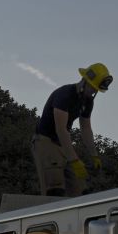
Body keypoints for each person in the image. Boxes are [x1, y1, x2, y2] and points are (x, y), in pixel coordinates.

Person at [32, 62, 113, 197]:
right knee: (55, 188)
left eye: (96, 90)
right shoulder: (65, 94)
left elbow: (86, 129)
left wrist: (94, 155)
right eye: (93, 88)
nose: (94, 92)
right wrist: (74, 160)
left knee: (80, 189)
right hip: (45, 141)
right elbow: (61, 129)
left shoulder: (88, 101)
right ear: (84, 81)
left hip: (61, 144)